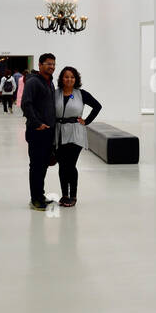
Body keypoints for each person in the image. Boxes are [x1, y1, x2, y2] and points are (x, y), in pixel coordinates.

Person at [53, 66, 102, 207]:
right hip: (59, 133)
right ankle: (64, 195)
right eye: (66, 76)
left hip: (75, 132)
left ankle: (73, 195)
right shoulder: (56, 94)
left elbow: (97, 106)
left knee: (70, 165)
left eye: (72, 77)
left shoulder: (81, 94)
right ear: (62, 78)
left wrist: (86, 121)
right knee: (62, 165)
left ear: (76, 79)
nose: (69, 79)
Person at [21, 54, 57, 210]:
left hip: (48, 132)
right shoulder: (33, 82)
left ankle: (39, 195)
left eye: (54, 64)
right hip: (37, 131)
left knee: (43, 165)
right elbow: (26, 104)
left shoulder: (49, 82)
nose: (52, 67)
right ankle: (35, 199)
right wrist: (37, 123)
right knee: (36, 166)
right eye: (49, 64)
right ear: (40, 64)